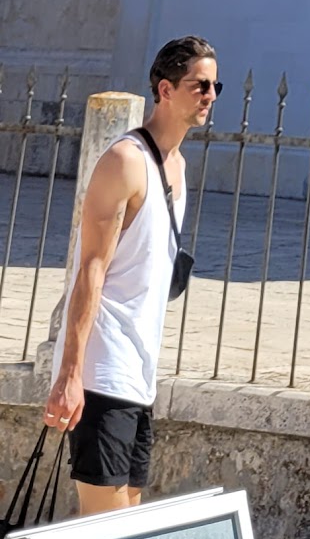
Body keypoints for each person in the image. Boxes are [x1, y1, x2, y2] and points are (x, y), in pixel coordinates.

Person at [44, 35, 219, 512]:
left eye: (215, 85)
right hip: (103, 371)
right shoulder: (125, 161)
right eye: (199, 85)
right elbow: (90, 270)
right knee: (106, 535)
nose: (210, 96)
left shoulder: (177, 167)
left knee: (125, 529)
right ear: (165, 90)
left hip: (138, 375)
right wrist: (70, 375)